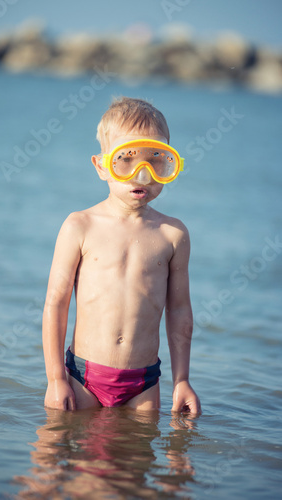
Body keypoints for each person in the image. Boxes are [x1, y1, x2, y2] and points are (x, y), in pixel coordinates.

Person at [43, 97, 201, 413]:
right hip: (82, 377)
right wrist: (55, 378)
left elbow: (180, 311)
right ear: (102, 165)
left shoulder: (173, 235)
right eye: (125, 159)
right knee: (55, 455)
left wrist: (182, 380)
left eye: (156, 160)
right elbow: (56, 303)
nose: (141, 174)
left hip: (143, 383)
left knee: (136, 459)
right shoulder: (80, 225)